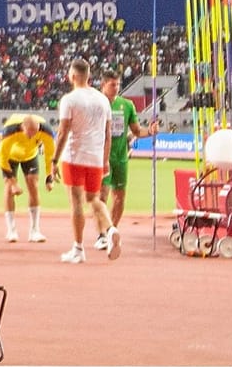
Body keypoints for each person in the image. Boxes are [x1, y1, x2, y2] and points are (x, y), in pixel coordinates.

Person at [54, 58, 117, 263]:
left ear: (72, 76)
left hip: (74, 156)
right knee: (94, 199)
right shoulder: (103, 100)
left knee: (76, 203)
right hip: (96, 158)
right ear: (89, 76)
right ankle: (110, 228)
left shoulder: (69, 100)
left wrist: (54, 160)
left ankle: (78, 248)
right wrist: (105, 160)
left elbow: (63, 132)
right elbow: (108, 134)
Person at [100, 70, 156, 236]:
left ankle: (112, 231)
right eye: (112, 85)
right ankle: (102, 233)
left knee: (119, 198)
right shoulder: (97, 104)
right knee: (101, 198)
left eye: (118, 84)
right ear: (103, 85)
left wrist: (151, 131)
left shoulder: (127, 105)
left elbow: (137, 131)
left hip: (121, 157)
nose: (116, 88)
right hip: (102, 157)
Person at [0, 114, 57, 243]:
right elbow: (2, 158)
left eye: (35, 134)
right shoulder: (10, 130)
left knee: (33, 186)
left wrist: (49, 177)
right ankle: (11, 230)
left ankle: (35, 231)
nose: (31, 136)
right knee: (9, 189)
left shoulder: (45, 131)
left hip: (30, 155)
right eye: (29, 133)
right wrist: (13, 183)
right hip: (10, 156)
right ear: (22, 127)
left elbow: (49, 155)